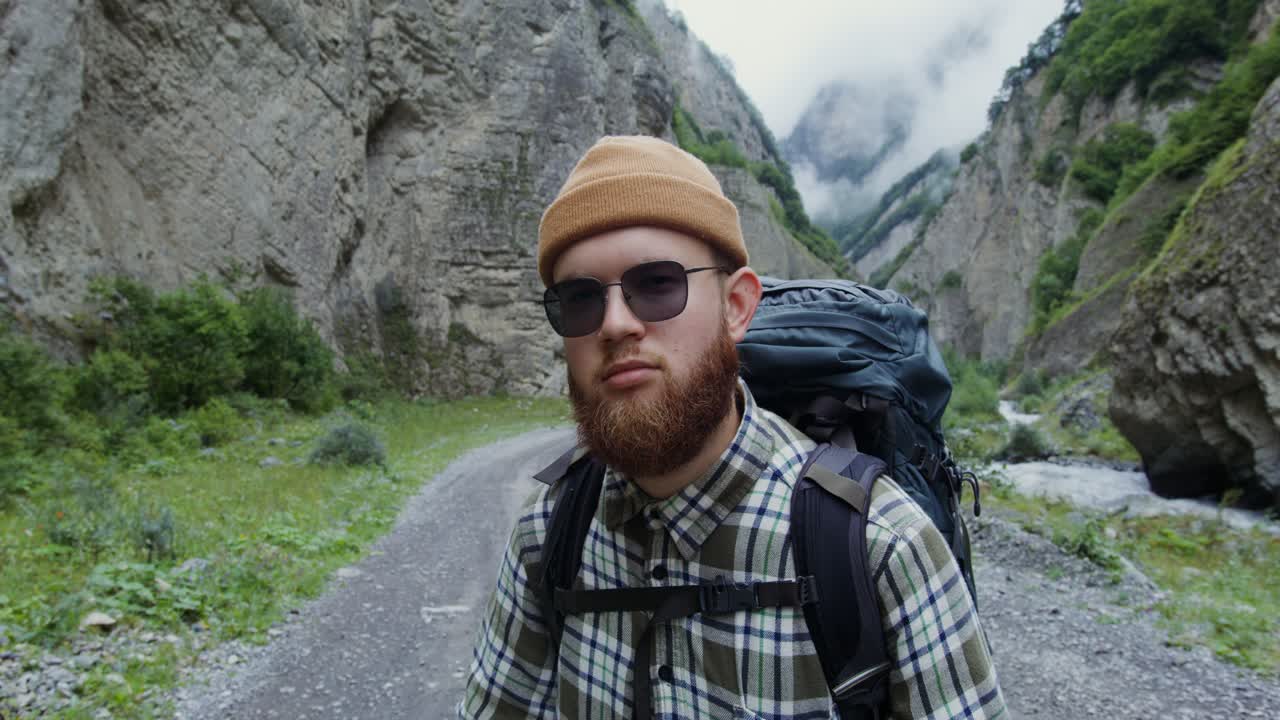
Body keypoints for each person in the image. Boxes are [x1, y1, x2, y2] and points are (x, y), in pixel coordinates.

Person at [459, 135, 1005, 719]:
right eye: (579, 299)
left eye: (657, 283)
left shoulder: (883, 546)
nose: (614, 324)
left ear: (737, 307)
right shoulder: (548, 531)